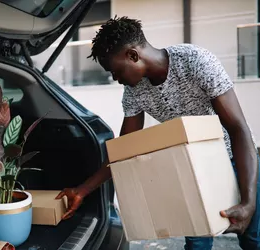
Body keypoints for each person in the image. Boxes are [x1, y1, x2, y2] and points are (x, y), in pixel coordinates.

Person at [55, 16, 260, 250]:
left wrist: (248, 201)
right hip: (193, 169)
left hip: (236, 158)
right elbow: (125, 148)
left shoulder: (196, 61)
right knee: (197, 243)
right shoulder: (133, 92)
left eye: (115, 71)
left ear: (133, 55)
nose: (116, 79)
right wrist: (83, 190)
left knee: (253, 239)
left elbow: (238, 129)